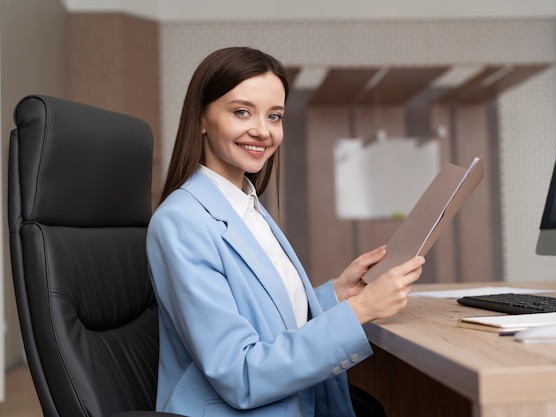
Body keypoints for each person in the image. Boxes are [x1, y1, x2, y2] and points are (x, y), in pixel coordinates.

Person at [146, 46, 425, 417]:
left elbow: (267, 321)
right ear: (201, 118)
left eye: (274, 116)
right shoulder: (181, 222)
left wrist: (336, 296)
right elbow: (240, 373)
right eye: (241, 112)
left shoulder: (246, 204)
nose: (262, 130)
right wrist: (359, 312)